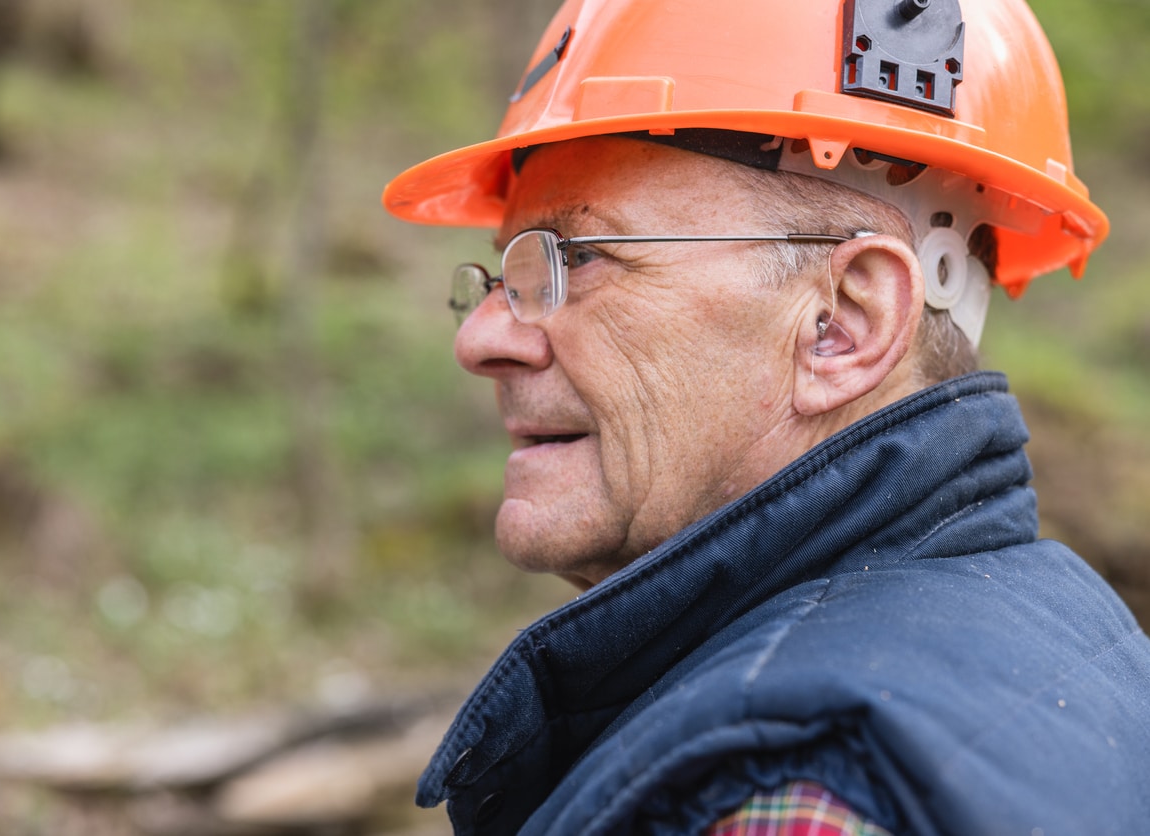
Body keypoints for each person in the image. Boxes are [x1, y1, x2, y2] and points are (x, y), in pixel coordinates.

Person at [382, 0, 1150, 833]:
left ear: (841, 324)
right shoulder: (1068, 636)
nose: (480, 335)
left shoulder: (788, 792)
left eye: (579, 256)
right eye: (501, 275)